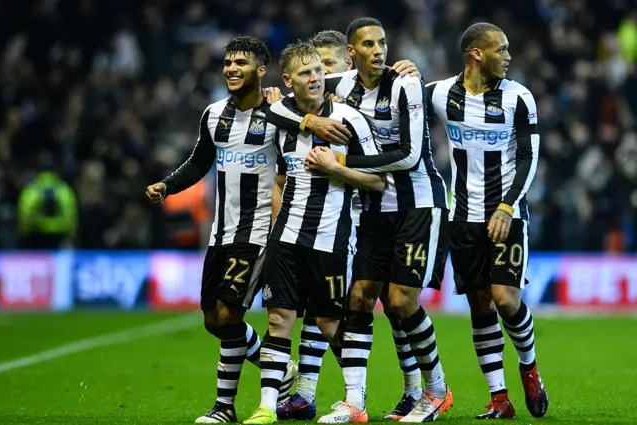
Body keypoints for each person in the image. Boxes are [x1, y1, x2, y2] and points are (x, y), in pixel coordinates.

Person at [268, 17, 453, 424]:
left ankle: (436, 390)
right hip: (374, 207)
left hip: (418, 203)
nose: (378, 51)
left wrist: (342, 161)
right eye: (368, 44)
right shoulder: (344, 85)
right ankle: (355, 402)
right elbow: (287, 101)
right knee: (357, 299)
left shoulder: (404, 84)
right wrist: (305, 120)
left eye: (382, 43)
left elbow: (409, 155)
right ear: (352, 54)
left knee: (403, 302)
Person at [145, 35, 295, 424]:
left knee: (229, 313)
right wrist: (167, 185)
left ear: (261, 72)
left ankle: (224, 406)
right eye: (228, 62)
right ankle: (268, 370)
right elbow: (199, 162)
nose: (231, 68)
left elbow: (292, 170)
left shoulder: (279, 114)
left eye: (241, 63)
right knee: (214, 319)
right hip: (221, 232)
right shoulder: (213, 114)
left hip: (258, 231)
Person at [243, 41, 386, 425]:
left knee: (328, 321)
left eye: (319, 71)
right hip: (286, 236)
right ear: (288, 80)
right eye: (305, 73)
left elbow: (378, 180)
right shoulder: (280, 118)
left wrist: (335, 169)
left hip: (331, 238)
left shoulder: (350, 119)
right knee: (278, 320)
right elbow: (279, 176)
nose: (315, 79)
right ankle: (267, 407)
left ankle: (355, 401)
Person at [425, 22, 548, 419]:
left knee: (505, 299)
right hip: (462, 217)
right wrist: (403, 72)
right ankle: (499, 398)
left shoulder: (519, 97)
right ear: (476, 53)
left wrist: (508, 205)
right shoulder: (442, 93)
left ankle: (529, 368)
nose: (508, 56)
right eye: (501, 49)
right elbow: (397, 101)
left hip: (506, 214)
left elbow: (529, 158)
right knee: (480, 307)